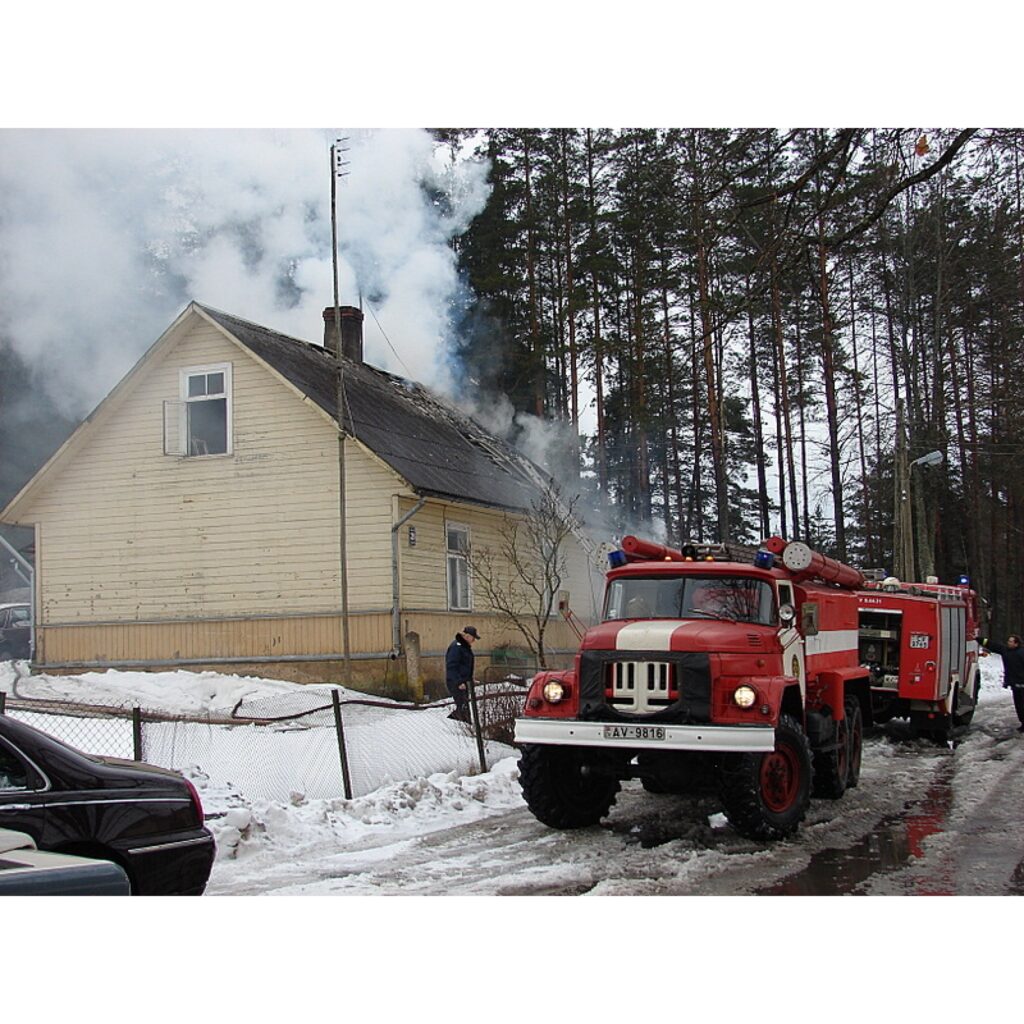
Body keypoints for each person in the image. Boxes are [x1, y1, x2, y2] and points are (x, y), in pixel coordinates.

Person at [980, 633, 1024, 732]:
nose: (1008, 643)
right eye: (1008, 641)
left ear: (1016, 644)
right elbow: (994, 646)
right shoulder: (1006, 651)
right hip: (1015, 684)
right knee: (1019, 705)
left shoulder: (1021, 653)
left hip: (1022, 683)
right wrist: (980, 639)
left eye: (1011, 641)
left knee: (1021, 704)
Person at [445, 626, 480, 722]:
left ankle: (464, 724)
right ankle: (454, 724)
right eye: (473, 638)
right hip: (455, 682)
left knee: (464, 705)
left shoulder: (464, 647)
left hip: (463, 682)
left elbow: (465, 665)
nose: (473, 641)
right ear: (468, 636)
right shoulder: (456, 647)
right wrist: (458, 682)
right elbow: (452, 666)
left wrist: (470, 678)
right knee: (462, 706)